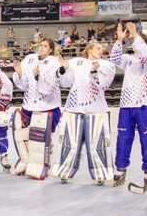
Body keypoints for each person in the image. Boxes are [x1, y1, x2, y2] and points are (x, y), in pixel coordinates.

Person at [51, 41, 116, 185]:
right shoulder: (76, 62)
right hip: (74, 109)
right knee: (69, 142)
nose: (101, 50)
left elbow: (104, 84)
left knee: (97, 144)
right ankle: (64, 172)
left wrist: (95, 71)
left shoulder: (106, 65)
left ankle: (101, 174)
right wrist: (64, 68)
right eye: (98, 48)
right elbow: (65, 83)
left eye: (102, 48)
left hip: (97, 110)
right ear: (89, 49)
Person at [109, 23, 147, 187]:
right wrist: (119, 40)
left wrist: (136, 34)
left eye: (136, 40)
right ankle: (121, 169)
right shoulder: (129, 59)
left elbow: (144, 54)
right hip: (126, 105)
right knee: (123, 139)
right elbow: (115, 59)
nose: (133, 42)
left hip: (145, 105)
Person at [11, 39, 63, 178]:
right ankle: (28, 162)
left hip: (48, 107)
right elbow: (23, 86)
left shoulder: (54, 62)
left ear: (51, 50)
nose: (42, 48)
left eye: (45, 46)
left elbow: (48, 89)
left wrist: (38, 76)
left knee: (44, 140)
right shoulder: (29, 59)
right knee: (26, 138)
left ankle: (44, 164)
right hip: (29, 106)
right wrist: (20, 74)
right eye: (41, 45)